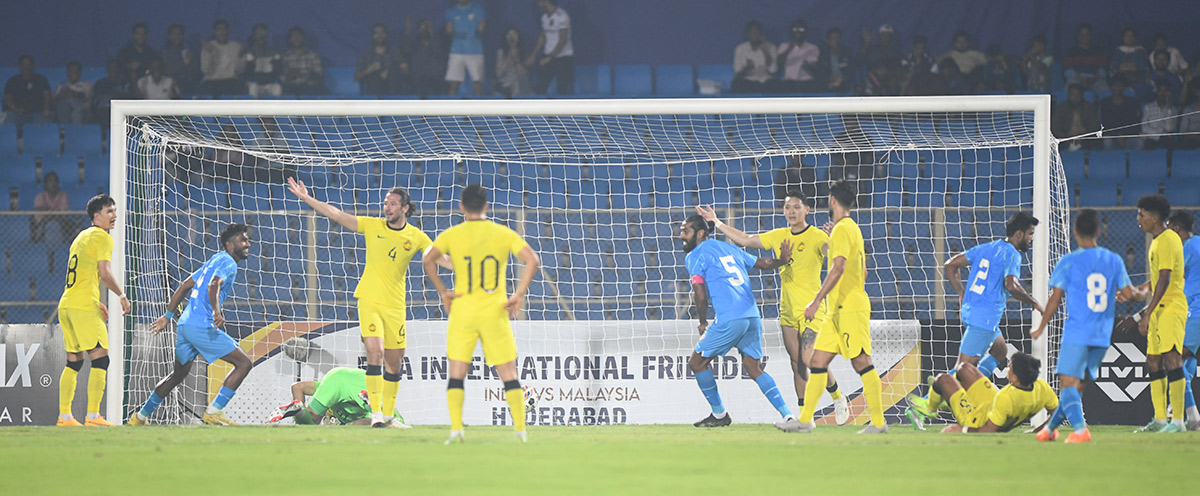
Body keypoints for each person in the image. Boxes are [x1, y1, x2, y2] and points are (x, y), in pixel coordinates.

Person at [287, 178, 448, 427]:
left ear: (405, 208)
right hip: (369, 300)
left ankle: (389, 415)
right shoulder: (373, 226)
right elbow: (338, 215)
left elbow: (437, 257)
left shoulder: (415, 236)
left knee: (393, 364)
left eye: (393, 203)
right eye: (386, 203)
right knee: (375, 353)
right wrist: (307, 198)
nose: (387, 207)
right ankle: (375, 413)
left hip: (395, 306)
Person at [695, 194, 852, 425]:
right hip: (787, 311)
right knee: (796, 363)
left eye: (797, 207)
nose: (791, 212)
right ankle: (805, 417)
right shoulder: (780, 235)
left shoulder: (818, 236)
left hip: (812, 310)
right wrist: (717, 222)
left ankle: (838, 398)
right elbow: (747, 240)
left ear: (807, 210)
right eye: (787, 207)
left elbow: (834, 254)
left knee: (809, 359)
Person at [422, 184, 540, 444]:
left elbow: (428, 259)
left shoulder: (452, 234)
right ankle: (520, 431)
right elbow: (532, 259)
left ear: (462, 207)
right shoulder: (502, 233)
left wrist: (444, 291)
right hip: (495, 311)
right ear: (487, 206)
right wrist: (518, 295)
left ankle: (456, 431)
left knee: (457, 371)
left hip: (463, 310)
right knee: (508, 372)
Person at [907, 212, 1044, 425]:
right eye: (1030, 234)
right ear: (1019, 234)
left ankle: (967, 385)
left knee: (1000, 351)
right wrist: (1033, 302)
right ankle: (925, 405)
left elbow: (950, 265)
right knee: (963, 368)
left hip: (972, 310)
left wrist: (961, 291)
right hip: (985, 318)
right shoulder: (1012, 254)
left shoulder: (987, 247)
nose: (1031, 239)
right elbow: (1011, 285)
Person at [677, 214, 798, 430]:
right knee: (754, 368)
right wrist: (782, 261)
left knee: (696, 363)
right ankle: (788, 415)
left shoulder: (695, 255)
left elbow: (700, 293)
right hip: (752, 317)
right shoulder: (729, 248)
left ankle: (719, 413)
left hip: (730, 319)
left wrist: (702, 322)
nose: (681, 236)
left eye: (686, 231)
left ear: (701, 233)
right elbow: (762, 263)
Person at [129, 224, 253, 426]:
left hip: (185, 325)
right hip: (201, 326)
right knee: (244, 363)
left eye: (247, 240)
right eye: (243, 240)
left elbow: (185, 285)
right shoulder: (229, 262)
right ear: (230, 245)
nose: (248, 244)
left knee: (177, 375)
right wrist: (216, 312)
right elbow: (214, 284)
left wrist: (167, 316)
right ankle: (214, 412)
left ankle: (139, 417)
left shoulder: (214, 259)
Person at [789, 180, 887, 434]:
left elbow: (839, 267)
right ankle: (805, 420)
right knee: (818, 361)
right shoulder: (848, 229)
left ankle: (878, 423)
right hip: (837, 311)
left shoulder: (844, 229)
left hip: (849, 309)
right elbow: (862, 271)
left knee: (861, 362)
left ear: (833, 200)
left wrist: (817, 299)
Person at [1029, 209, 1134, 442]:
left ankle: (1080, 430)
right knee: (1076, 388)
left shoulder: (1068, 262)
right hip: (1102, 334)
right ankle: (1050, 430)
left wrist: (1041, 327)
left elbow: (1055, 299)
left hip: (1077, 332)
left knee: (1067, 385)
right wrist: (1138, 292)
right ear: (1098, 231)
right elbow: (1128, 293)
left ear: (1074, 232)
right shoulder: (1114, 259)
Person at [55, 194, 131, 426]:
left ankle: (65, 417)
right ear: (96, 216)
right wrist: (121, 295)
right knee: (100, 360)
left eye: (115, 211)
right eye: (109, 212)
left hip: (67, 304)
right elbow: (104, 273)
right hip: (82, 307)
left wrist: (96, 301)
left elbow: (82, 275)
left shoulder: (81, 236)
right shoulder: (102, 237)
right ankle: (93, 416)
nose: (115, 216)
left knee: (74, 362)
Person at [1119, 194, 1189, 433]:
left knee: (1172, 358)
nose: (1138, 219)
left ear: (1155, 217)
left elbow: (1166, 280)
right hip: (1159, 308)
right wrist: (1137, 293)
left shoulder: (1169, 239)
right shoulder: (1158, 241)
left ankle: (1178, 422)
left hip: (1171, 307)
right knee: (1153, 361)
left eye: (1142, 214)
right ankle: (1160, 419)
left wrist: (1145, 314)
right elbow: (1156, 280)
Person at [929, 354, 1057, 434]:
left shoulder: (1006, 397)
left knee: (942, 379)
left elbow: (988, 430)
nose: (1007, 367)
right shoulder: (1042, 387)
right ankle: (950, 399)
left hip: (977, 419)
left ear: (1015, 378)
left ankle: (928, 408)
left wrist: (962, 430)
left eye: (1010, 366)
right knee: (964, 368)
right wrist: (1037, 431)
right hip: (991, 403)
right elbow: (1058, 413)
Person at [270, 367, 409, 427]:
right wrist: (345, 427)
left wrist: (302, 402)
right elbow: (354, 424)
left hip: (335, 375)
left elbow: (297, 387)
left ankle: (299, 409)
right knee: (388, 420)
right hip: (367, 386)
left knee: (312, 418)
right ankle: (369, 402)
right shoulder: (357, 416)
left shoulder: (328, 389)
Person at [1166, 211, 1200, 430]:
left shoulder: (1187, 249)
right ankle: (1185, 414)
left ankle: (1184, 415)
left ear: (1176, 228)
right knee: (1187, 362)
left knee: (1174, 359)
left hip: (1195, 311)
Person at [528, 0, 574, 95]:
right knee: (541, 87)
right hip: (548, 56)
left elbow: (562, 40)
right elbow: (542, 38)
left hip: (563, 58)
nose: (538, 4)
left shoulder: (562, 16)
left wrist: (549, 58)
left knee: (562, 89)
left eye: (540, 2)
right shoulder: (544, 17)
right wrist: (533, 55)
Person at [445, 0, 486, 96]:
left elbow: (482, 27)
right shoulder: (451, 11)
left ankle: (479, 108)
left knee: (477, 83)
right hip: (457, 51)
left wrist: (478, 28)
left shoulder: (477, 9)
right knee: (453, 83)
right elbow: (449, 30)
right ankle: (451, 108)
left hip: (475, 51)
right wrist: (453, 32)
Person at [356, 24, 407, 96]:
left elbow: (405, 69)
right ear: (372, 36)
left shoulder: (394, 51)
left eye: (382, 32)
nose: (379, 35)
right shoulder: (366, 54)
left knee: (394, 71)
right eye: (376, 33)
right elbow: (357, 77)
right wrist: (369, 70)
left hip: (392, 89)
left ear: (386, 35)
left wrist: (391, 70)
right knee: (375, 78)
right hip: (374, 90)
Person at [3, 55, 53, 127]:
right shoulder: (12, 81)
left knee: (47, 120)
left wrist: (47, 109)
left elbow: (47, 96)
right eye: (24, 64)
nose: (27, 67)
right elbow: (7, 98)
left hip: (38, 112)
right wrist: (16, 109)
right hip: (18, 113)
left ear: (33, 66)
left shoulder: (41, 79)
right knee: (10, 118)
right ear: (20, 66)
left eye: (29, 64)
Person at [200, 19, 245, 96]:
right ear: (214, 32)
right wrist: (209, 53)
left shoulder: (236, 46)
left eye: (224, 29)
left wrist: (240, 57)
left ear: (228, 31)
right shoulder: (208, 46)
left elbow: (240, 70)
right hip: (212, 81)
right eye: (219, 29)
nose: (222, 32)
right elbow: (206, 70)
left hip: (230, 81)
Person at [1062, 23, 1109, 94]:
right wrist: (1080, 79)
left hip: (1095, 79)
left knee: (1105, 90)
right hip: (1076, 79)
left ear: (1091, 36)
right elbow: (1066, 70)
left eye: (1087, 35)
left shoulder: (1098, 51)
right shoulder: (1071, 52)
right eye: (1082, 35)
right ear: (1078, 36)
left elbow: (1104, 69)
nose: (1085, 37)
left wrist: (1093, 79)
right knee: (1068, 89)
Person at [406, 19, 448, 98]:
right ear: (417, 30)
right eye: (421, 28)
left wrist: (432, 32)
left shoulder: (436, 42)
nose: (424, 30)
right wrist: (407, 31)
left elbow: (437, 52)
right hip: (418, 80)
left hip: (434, 80)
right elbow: (406, 49)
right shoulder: (414, 44)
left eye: (426, 27)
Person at [775, 20, 820, 93]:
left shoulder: (812, 48)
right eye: (795, 29)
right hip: (789, 82)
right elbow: (779, 62)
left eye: (801, 29)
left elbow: (814, 67)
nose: (798, 31)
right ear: (791, 31)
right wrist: (790, 48)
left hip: (806, 82)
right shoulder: (784, 46)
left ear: (805, 32)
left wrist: (808, 66)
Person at [1052, 83, 1100, 151]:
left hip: (1086, 140)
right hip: (1065, 140)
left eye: (1078, 94)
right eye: (1072, 94)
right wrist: (1067, 135)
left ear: (1082, 95)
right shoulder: (1061, 108)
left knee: (1096, 143)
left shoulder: (1090, 107)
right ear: (1068, 95)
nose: (1075, 97)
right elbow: (1055, 127)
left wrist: (1084, 133)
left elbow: (1095, 126)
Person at [281, 27, 327, 95]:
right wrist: (290, 75)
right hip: (291, 88)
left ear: (303, 38)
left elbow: (319, 76)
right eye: (294, 36)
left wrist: (310, 75)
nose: (297, 38)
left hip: (309, 88)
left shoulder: (313, 56)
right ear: (289, 40)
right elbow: (282, 78)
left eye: (299, 36)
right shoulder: (285, 57)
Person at [1100, 78, 1143, 150]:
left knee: (1139, 142)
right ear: (1111, 87)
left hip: (1128, 135)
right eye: (1115, 85)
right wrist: (1117, 136)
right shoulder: (1105, 103)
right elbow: (1106, 123)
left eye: (1119, 85)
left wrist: (1125, 136)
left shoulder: (1132, 102)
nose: (1117, 87)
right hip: (1112, 135)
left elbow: (1134, 122)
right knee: (1107, 142)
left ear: (1123, 87)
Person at [244, 23, 282, 98]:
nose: (261, 36)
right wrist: (252, 63)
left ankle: (275, 109)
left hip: (268, 83)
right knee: (253, 87)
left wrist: (275, 64)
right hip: (254, 83)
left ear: (267, 35)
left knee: (277, 87)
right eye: (258, 33)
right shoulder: (248, 51)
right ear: (254, 35)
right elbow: (246, 72)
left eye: (263, 33)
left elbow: (277, 71)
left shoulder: (273, 51)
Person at [31, 171, 71, 242]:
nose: (53, 183)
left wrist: (47, 210)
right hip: (42, 227)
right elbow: (39, 215)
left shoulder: (63, 196)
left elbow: (63, 215)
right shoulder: (40, 197)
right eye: (50, 181)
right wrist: (53, 213)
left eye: (55, 181)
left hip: (61, 226)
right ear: (45, 184)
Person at [1141, 81, 1178, 150]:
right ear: (1156, 91)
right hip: (1151, 138)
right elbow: (1144, 128)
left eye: (1165, 91)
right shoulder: (1148, 107)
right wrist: (1160, 132)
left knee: (1168, 143)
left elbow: (1170, 129)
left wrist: (1169, 110)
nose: (1162, 94)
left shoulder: (1173, 110)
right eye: (1160, 90)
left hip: (1165, 140)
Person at [495, 27, 532, 97]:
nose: (511, 37)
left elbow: (522, 73)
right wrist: (508, 56)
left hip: (521, 85)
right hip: (505, 85)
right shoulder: (501, 52)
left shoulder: (525, 51)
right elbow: (499, 73)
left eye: (514, 34)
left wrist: (516, 58)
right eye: (509, 34)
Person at [162, 24, 199, 94]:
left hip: (186, 89)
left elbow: (194, 75)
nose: (176, 37)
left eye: (179, 34)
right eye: (173, 34)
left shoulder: (190, 54)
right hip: (167, 89)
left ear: (183, 36)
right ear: (169, 36)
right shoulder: (163, 54)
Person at [817, 28, 854, 93]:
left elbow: (851, 73)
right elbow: (820, 74)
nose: (836, 40)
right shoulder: (823, 56)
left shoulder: (847, 54)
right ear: (828, 41)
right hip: (828, 85)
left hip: (844, 84)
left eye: (838, 38)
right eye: (833, 38)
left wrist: (842, 79)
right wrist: (830, 80)